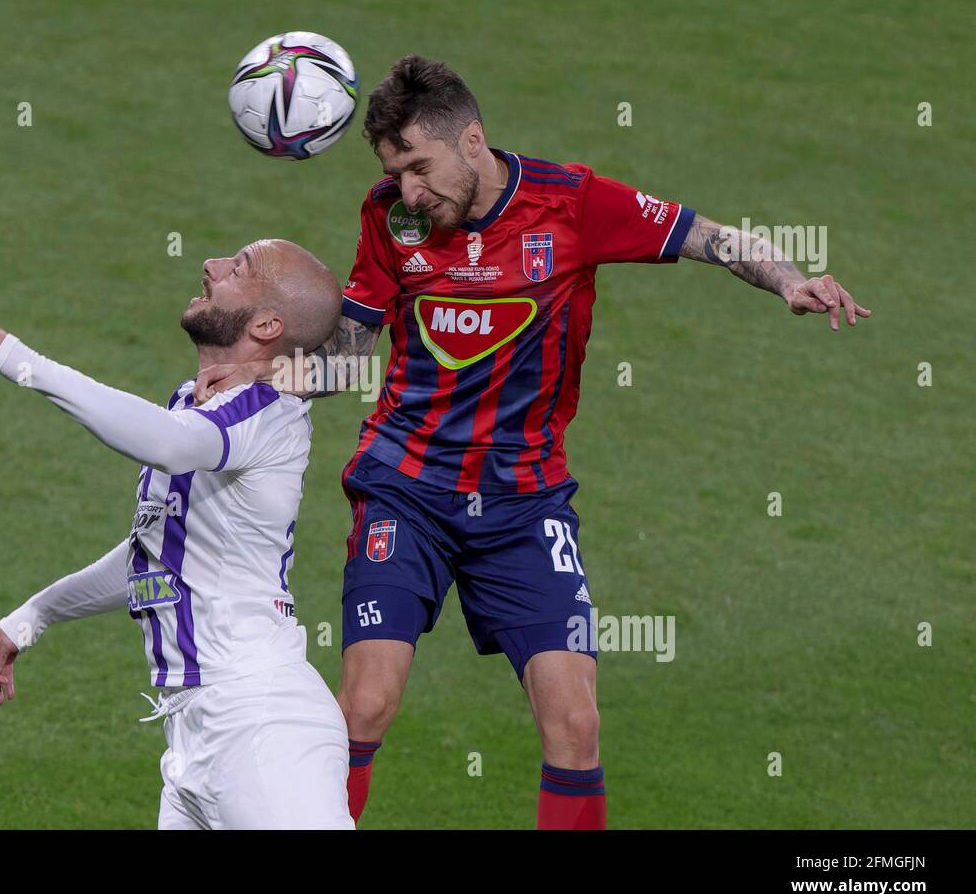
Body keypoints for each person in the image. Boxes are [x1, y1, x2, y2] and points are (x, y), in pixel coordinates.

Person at [195, 56, 871, 829]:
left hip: (524, 500)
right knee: (364, 707)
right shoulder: (390, 217)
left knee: (575, 725)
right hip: (406, 489)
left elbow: (706, 237)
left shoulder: (572, 204)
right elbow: (352, 349)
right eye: (394, 170)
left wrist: (789, 281)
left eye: (418, 166)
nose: (408, 190)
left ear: (472, 139)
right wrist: (262, 379)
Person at [0, 238, 353, 830]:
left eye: (237, 267)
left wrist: (19, 359)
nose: (212, 266)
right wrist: (32, 617)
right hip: (192, 731)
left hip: (261, 728)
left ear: (268, 324)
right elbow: (156, 555)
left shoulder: (264, 413)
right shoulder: (191, 406)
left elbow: (165, 443)